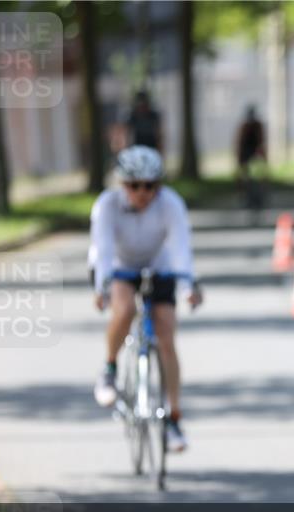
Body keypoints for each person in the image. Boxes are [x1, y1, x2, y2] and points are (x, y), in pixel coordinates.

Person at [90, 145, 202, 452]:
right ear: (122, 185)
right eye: (134, 185)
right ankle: (110, 370)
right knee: (124, 310)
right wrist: (101, 287)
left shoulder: (170, 204)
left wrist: (188, 285)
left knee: (166, 334)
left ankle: (173, 419)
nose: (142, 192)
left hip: (159, 265)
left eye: (150, 185)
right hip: (121, 266)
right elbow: (102, 250)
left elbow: (181, 247)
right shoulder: (107, 205)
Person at [235, 105, 267, 206]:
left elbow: (261, 141)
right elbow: (240, 142)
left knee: (258, 176)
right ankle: (245, 195)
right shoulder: (245, 127)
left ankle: (259, 196)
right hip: (246, 154)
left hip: (254, 155)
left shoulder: (257, 126)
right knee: (246, 177)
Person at [126, 90, 163, 155]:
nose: (142, 107)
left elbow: (158, 134)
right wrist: (128, 149)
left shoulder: (153, 115)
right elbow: (128, 133)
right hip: (137, 148)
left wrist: (160, 150)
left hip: (152, 148)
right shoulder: (133, 116)